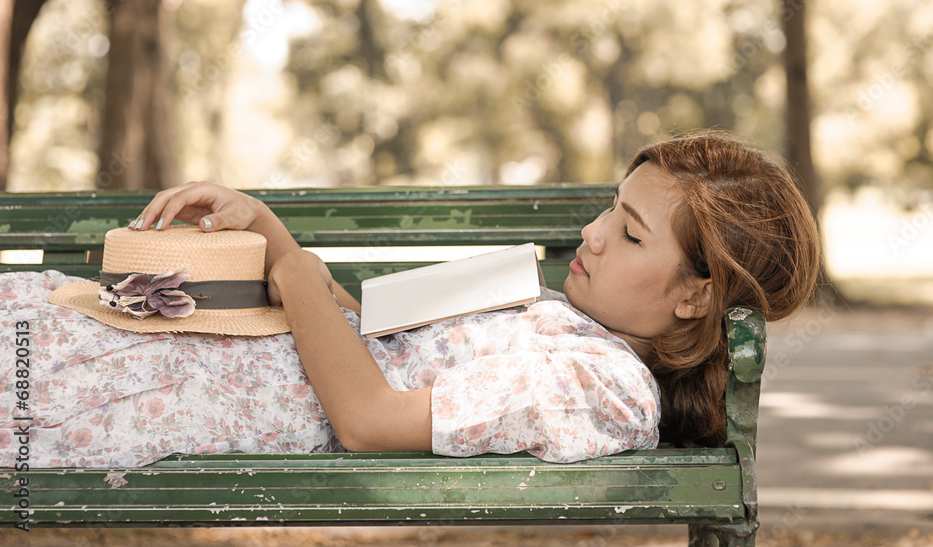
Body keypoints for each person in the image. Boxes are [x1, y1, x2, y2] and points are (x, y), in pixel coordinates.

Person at [0, 130, 818, 467]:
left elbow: (367, 420)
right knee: (39, 308)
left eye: (632, 235)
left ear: (695, 298)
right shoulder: (553, 309)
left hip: (206, 391)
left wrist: (291, 274)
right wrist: (270, 233)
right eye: (612, 207)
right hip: (204, 346)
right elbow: (360, 323)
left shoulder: (602, 386)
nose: (595, 234)